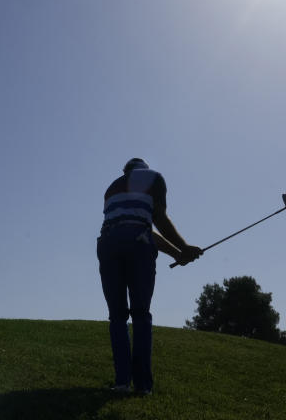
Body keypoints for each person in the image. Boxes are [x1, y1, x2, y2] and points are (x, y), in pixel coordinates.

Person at [98, 158, 202, 395]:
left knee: (117, 316)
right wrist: (185, 248)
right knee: (141, 314)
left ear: (125, 171)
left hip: (107, 244)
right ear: (143, 168)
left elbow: (138, 228)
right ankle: (143, 386)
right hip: (137, 246)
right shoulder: (154, 177)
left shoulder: (111, 187)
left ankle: (122, 382)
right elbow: (158, 220)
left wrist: (178, 252)